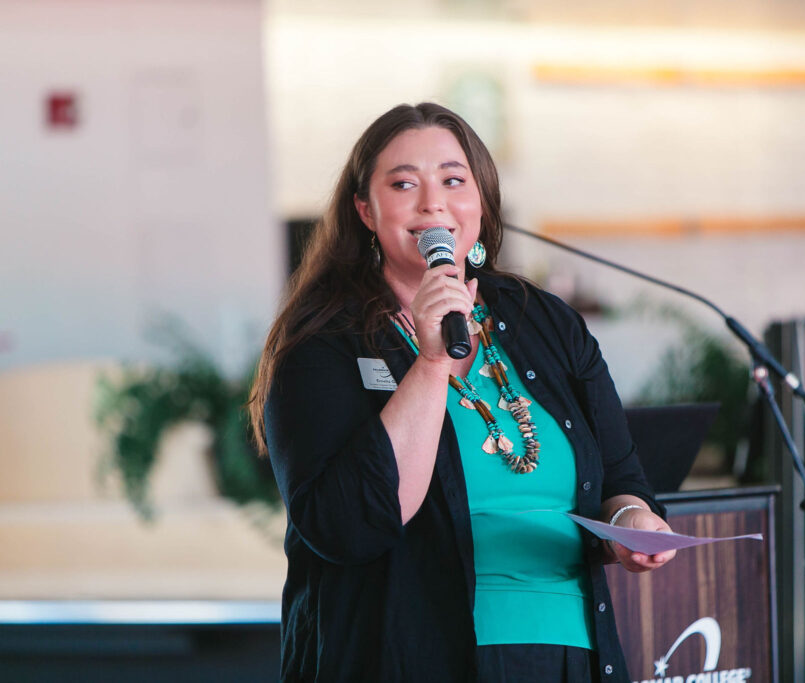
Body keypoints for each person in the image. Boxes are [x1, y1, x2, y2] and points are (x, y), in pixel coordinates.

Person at [249, 102, 676, 683]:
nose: (433, 203)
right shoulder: (322, 345)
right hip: (410, 657)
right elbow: (348, 527)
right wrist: (431, 362)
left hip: (570, 655)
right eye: (404, 184)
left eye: (453, 181)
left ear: (481, 202)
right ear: (365, 210)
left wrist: (634, 523)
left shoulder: (544, 322)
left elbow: (622, 481)